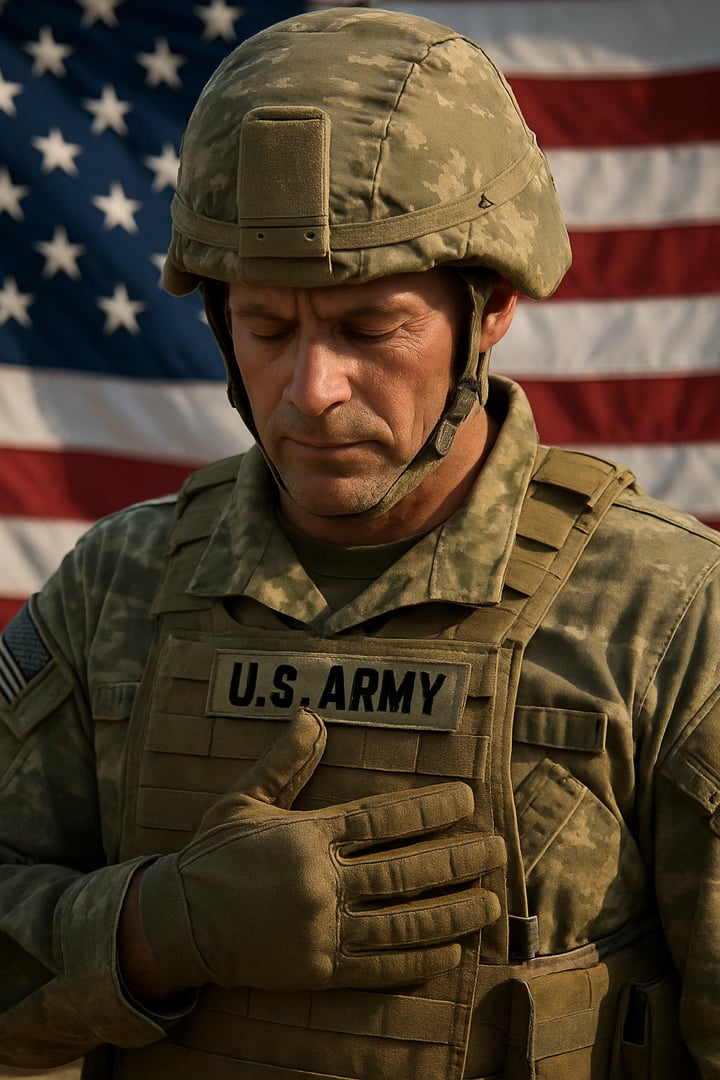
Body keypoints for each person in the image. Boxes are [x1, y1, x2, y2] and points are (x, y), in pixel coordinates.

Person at [0, 8, 718, 1079]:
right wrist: (155, 932)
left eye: (371, 329)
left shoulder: (666, 614)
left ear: (492, 311)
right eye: (268, 329)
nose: (312, 392)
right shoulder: (121, 586)